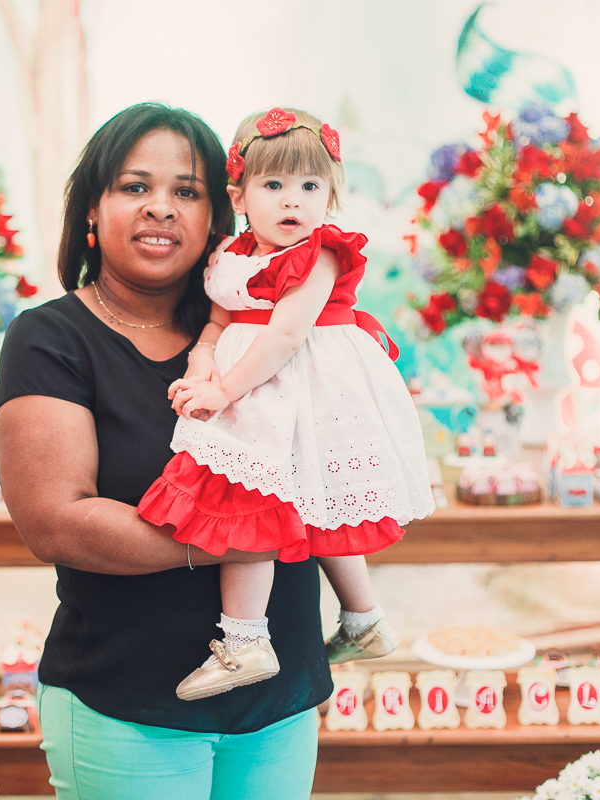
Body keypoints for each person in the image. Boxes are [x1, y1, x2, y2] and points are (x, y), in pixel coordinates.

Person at [0, 103, 330, 800]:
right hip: (130, 703)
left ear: (220, 216)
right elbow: (57, 521)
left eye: (186, 191)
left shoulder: (275, 333)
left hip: (280, 699)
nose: (162, 209)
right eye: (134, 186)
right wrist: (247, 536)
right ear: (92, 207)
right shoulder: (51, 339)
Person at [138, 107, 436, 700]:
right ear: (239, 194)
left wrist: (223, 390)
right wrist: (202, 361)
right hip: (259, 383)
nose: (292, 201)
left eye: (310, 186)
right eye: (273, 186)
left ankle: (246, 640)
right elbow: (221, 318)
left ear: (331, 194)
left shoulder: (318, 252)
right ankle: (365, 620)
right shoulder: (233, 253)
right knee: (308, 503)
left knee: (255, 502)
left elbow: (283, 335)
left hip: (302, 385)